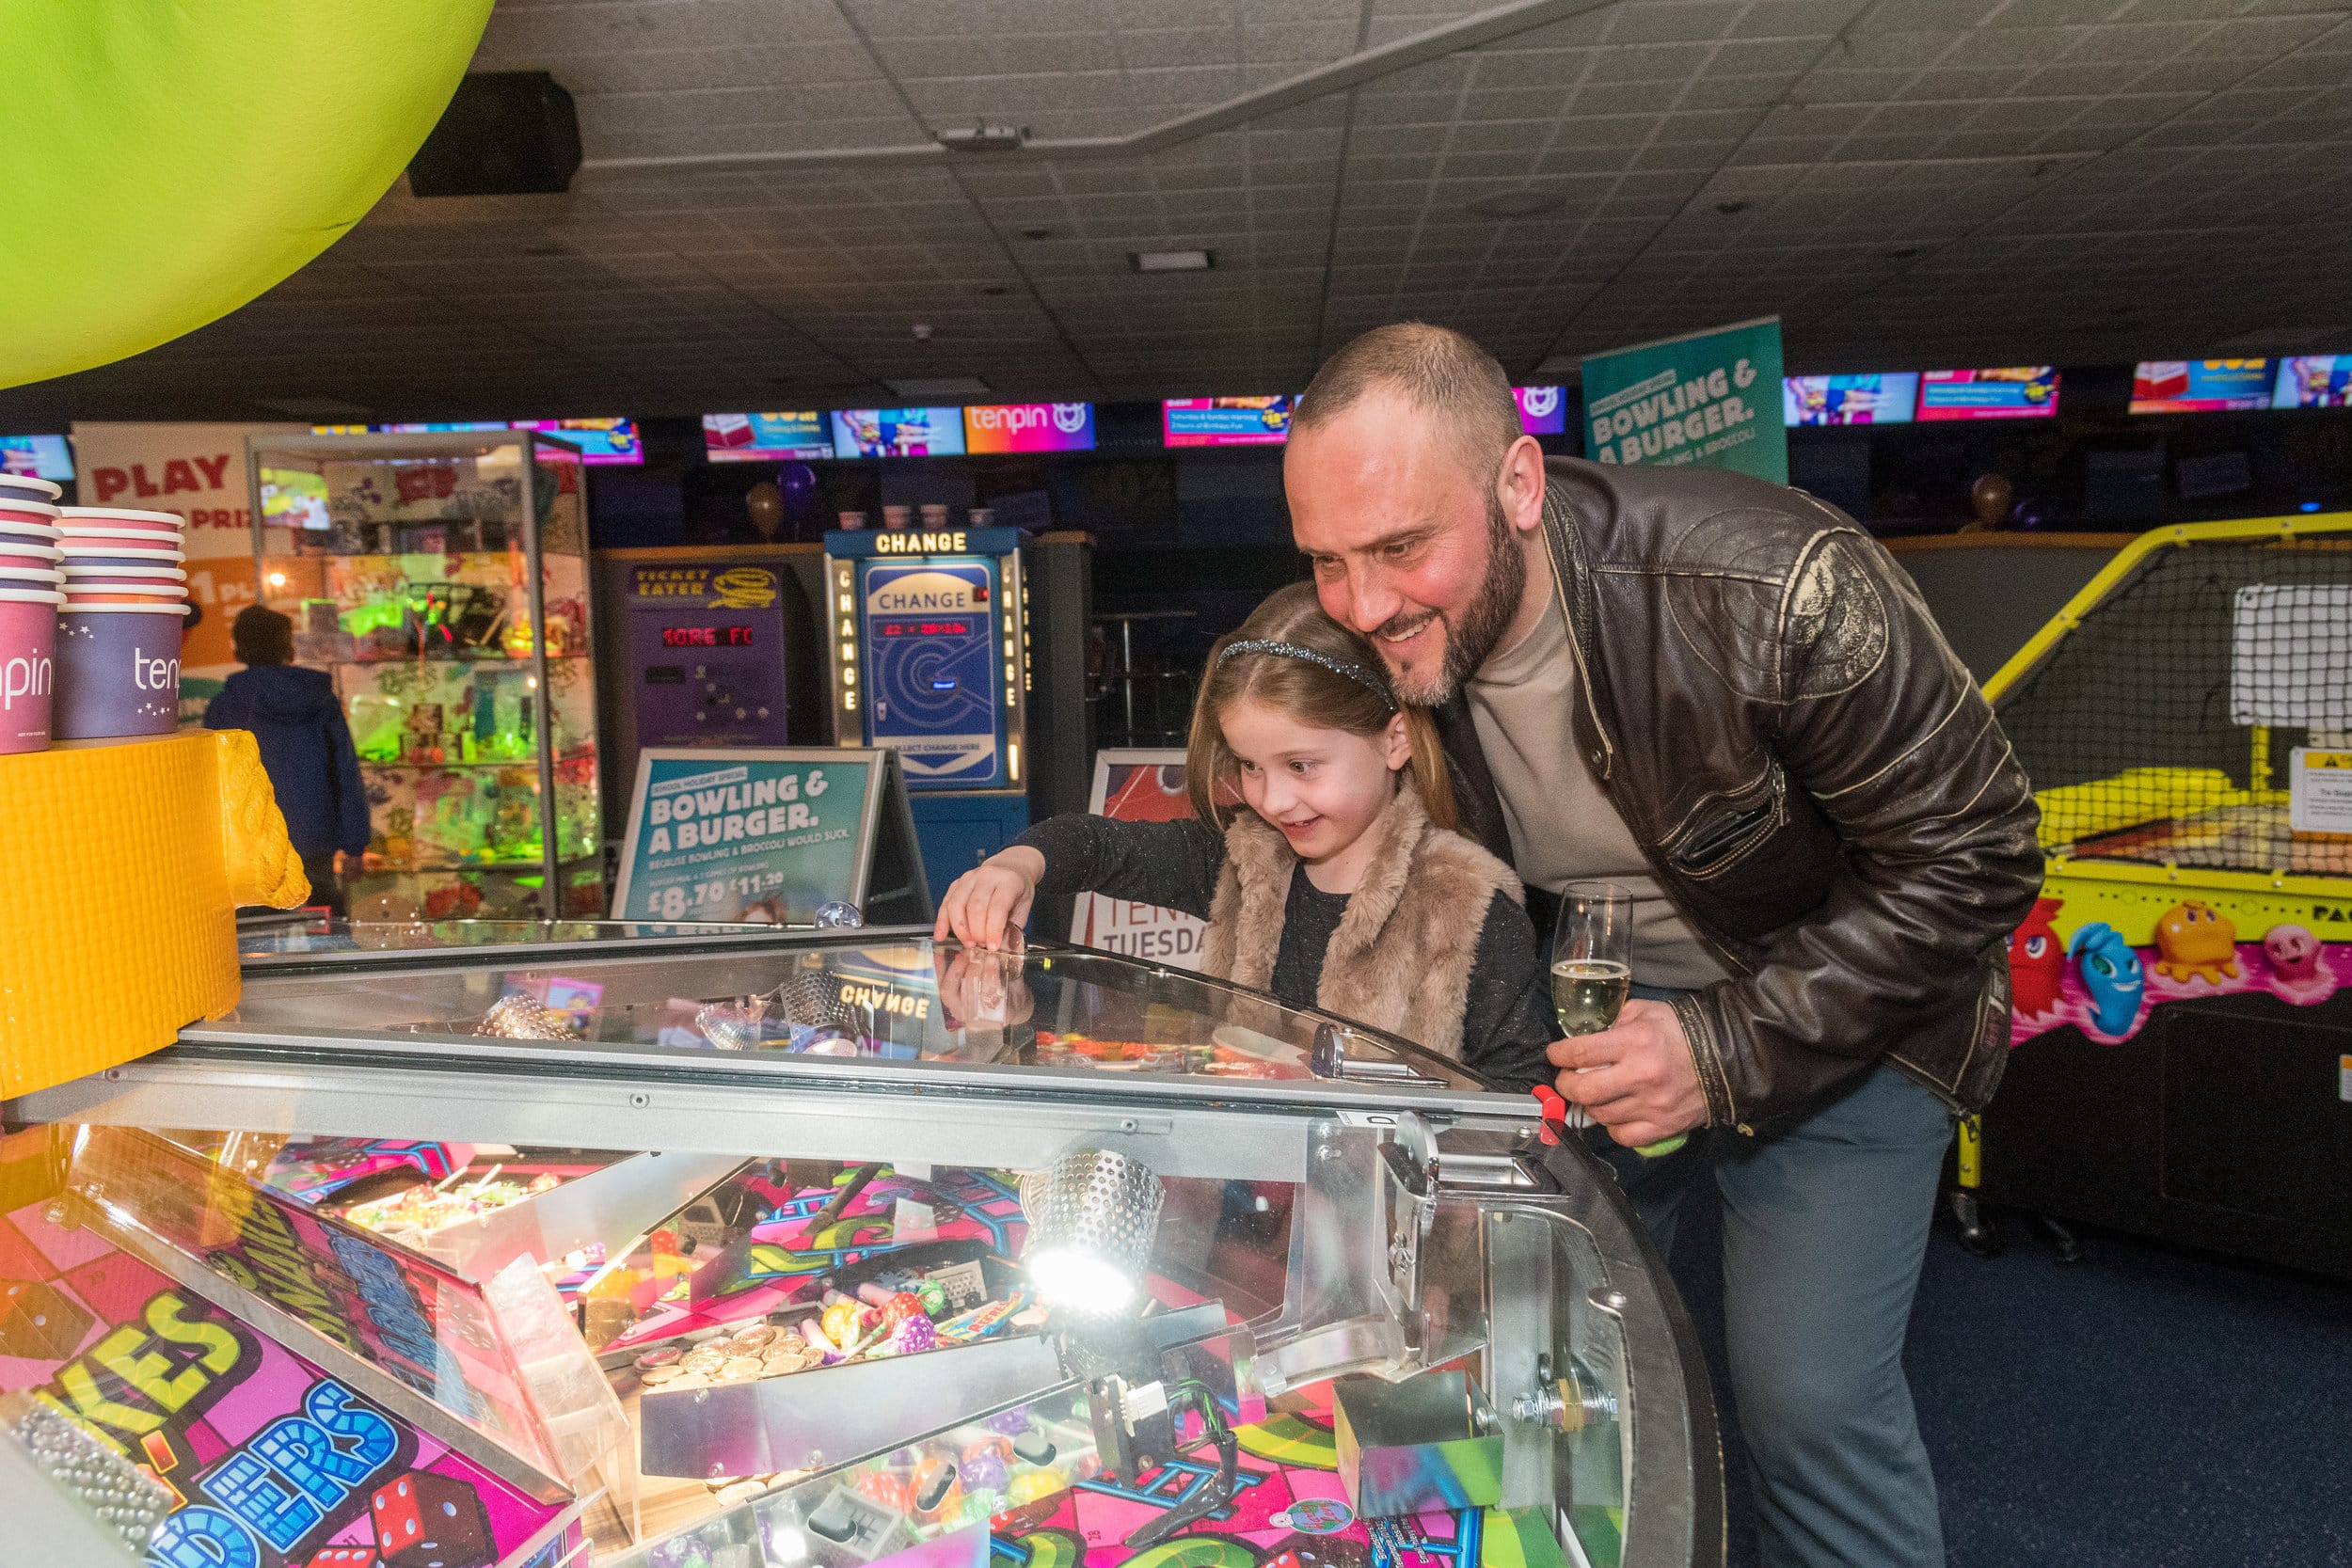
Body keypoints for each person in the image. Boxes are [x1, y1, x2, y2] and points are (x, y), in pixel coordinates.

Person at [1284, 324, 2042, 1568]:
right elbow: (1268, 764)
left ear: (1518, 486)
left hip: (1843, 1015)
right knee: (1494, 1334)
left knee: (1806, 1402)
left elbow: (1981, 850)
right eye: (1327, 560)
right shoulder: (1403, 640)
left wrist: (1724, 1045)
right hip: (1598, 1034)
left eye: (1400, 548)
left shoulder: (1773, 581)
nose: (1364, 605)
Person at [935, 582, 1554, 1085]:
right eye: (1251, 766)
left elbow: (1523, 1103)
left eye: (1301, 765)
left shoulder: (1470, 906)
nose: (1273, 799)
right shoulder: (1240, 858)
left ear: (1393, 739)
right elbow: (1097, 846)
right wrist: (1015, 866)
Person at [204, 605, 371, 915]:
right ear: (287, 645)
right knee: (326, 933)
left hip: (251, 838)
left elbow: (211, 786)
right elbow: (344, 770)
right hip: (315, 833)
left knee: (256, 939)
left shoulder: (226, 705)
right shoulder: (319, 697)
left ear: (240, 647)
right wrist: (354, 844)